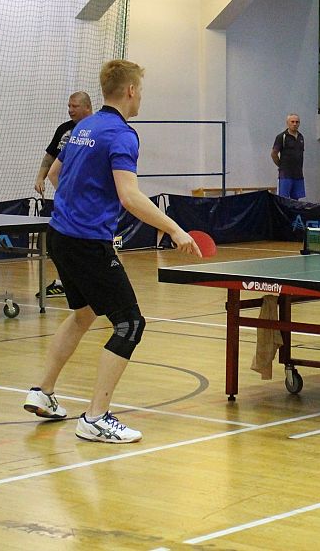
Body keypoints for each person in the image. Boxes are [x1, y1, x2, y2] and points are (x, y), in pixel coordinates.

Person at [23, 60, 199, 444]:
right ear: (131, 90)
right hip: (88, 242)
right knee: (130, 324)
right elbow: (129, 196)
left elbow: (55, 174)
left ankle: (42, 392)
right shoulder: (122, 135)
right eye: (141, 90)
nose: (141, 96)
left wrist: (79, 202)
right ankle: (95, 417)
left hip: (60, 235)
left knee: (83, 313)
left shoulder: (83, 127)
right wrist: (174, 229)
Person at [34, 91, 93, 298]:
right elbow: (50, 157)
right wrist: (40, 177)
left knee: (87, 243)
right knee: (61, 241)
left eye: (74, 106)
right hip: (67, 199)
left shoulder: (95, 129)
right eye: (69, 106)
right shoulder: (64, 129)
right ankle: (66, 282)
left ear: (87, 107)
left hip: (87, 200)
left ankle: (87, 282)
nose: (70, 110)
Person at [271, 113, 305, 200]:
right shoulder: (281, 137)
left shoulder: (301, 137)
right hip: (285, 175)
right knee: (283, 200)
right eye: (292, 122)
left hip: (298, 175)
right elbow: (274, 154)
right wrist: (281, 165)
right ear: (287, 123)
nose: (295, 124)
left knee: (296, 201)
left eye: (297, 122)